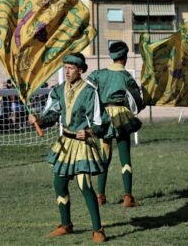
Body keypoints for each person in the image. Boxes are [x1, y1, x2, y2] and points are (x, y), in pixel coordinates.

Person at [28, 53, 109, 243]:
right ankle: (66, 225)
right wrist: (38, 119)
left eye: (71, 68)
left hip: (82, 145)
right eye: (65, 67)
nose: (67, 71)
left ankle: (98, 230)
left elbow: (101, 121)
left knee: (84, 186)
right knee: (59, 184)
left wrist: (89, 131)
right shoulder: (57, 91)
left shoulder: (90, 91)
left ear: (80, 70)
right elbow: (51, 116)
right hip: (65, 143)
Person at [87, 41, 144, 208]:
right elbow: (136, 102)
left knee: (104, 156)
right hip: (121, 117)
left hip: (104, 117)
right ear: (125, 57)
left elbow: (88, 91)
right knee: (125, 157)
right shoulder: (126, 76)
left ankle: (100, 196)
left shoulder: (98, 74)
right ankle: (127, 197)